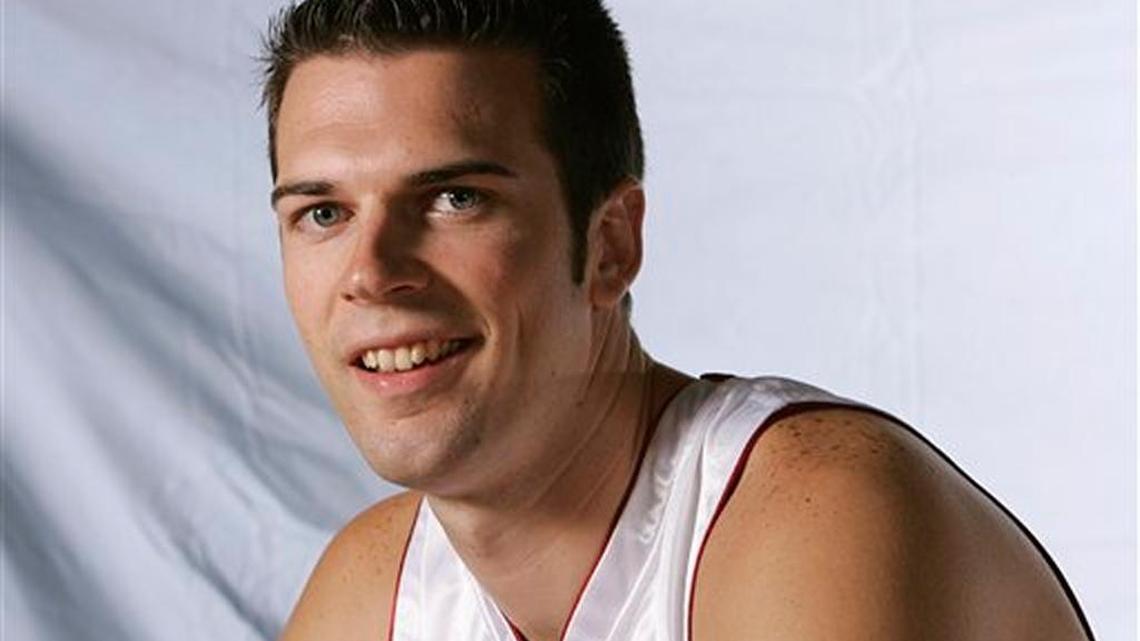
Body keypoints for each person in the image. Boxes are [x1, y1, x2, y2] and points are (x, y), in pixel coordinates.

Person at [259, 1, 1093, 639]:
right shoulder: (372, 592)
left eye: (455, 198)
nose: (371, 273)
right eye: (322, 213)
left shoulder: (811, 514)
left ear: (612, 243)